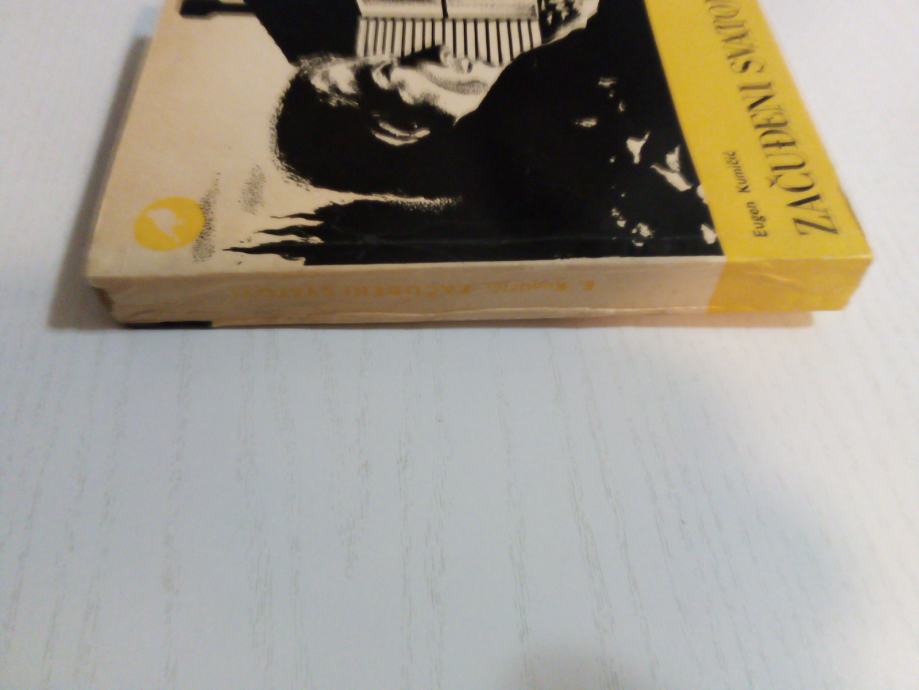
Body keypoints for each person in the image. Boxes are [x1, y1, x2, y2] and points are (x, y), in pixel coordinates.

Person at [241, 0, 719, 263]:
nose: (430, 50)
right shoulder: (563, 101)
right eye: (387, 71)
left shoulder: (546, 91)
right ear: (398, 129)